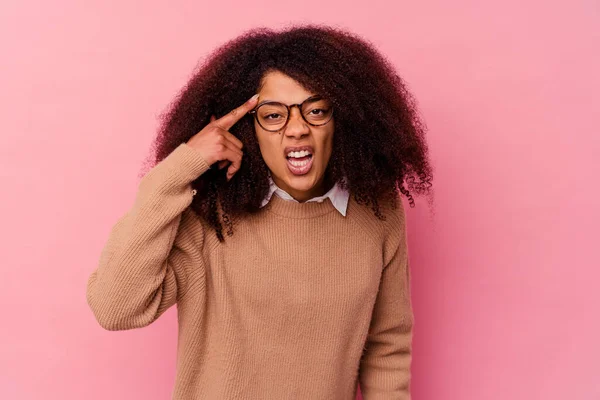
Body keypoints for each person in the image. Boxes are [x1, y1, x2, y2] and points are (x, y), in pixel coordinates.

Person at [86, 24, 433, 400]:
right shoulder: (211, 216)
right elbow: (115, 308)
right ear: (248, 130)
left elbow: (387, 346)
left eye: (316, 110)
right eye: (273, 115)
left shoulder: (377, 212)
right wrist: (179, 168)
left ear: (343, 119)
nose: (297, 129)